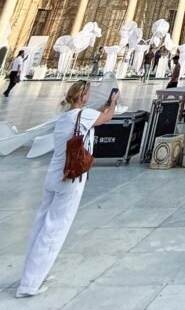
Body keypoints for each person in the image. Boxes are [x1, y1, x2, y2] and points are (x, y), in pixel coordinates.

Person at [16, 80, 119, 298]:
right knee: (54, 231)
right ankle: (29, 285)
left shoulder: (65, 116)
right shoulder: (83, 117)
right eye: (88, 94)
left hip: (53, 176)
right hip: (70, 179)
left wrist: (106, 103)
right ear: (83, 97)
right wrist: (115, 103)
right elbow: (107, 117)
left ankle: (33, 274)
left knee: (41, 225)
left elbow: (91, 116)